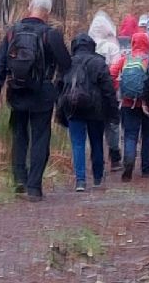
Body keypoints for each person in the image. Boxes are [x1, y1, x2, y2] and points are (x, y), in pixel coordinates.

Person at [0, 0, 71, 202]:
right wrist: (60, 87)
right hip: (42, 93)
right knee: (40, 138)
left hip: (16, 91)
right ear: (48, 13)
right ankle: (34, 188)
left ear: (29, 7)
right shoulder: (51, 34)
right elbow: (66, 64)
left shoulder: (12, 32)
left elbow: (0, 63)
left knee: (19, 136)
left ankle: (19, 183)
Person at [56, 34, 115, 191]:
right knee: (96, 142)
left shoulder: (67, 63)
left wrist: (60, 109)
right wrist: (113, 111)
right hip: (96, 110)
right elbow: (108, 89)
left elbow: (59, 87)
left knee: (77, 144)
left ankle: (80, 181)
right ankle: (97, 178)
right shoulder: (99, 62)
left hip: (73, 108)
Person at [111, 31, 149, 181]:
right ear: (148, 43)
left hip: (128, 102)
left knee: (130, 135)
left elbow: (110, 74)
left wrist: (120, 88)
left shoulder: (125, 59)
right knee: (148, 135)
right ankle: (146, 169)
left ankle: (129, 162)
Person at [87, 12, 124, 170]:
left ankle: (96, 157)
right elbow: (118, 70)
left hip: (91, 93)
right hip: (110, 92)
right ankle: (114, 156)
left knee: (95, 126)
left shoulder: (88, 47)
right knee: (113, 125)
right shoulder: (112, 47)